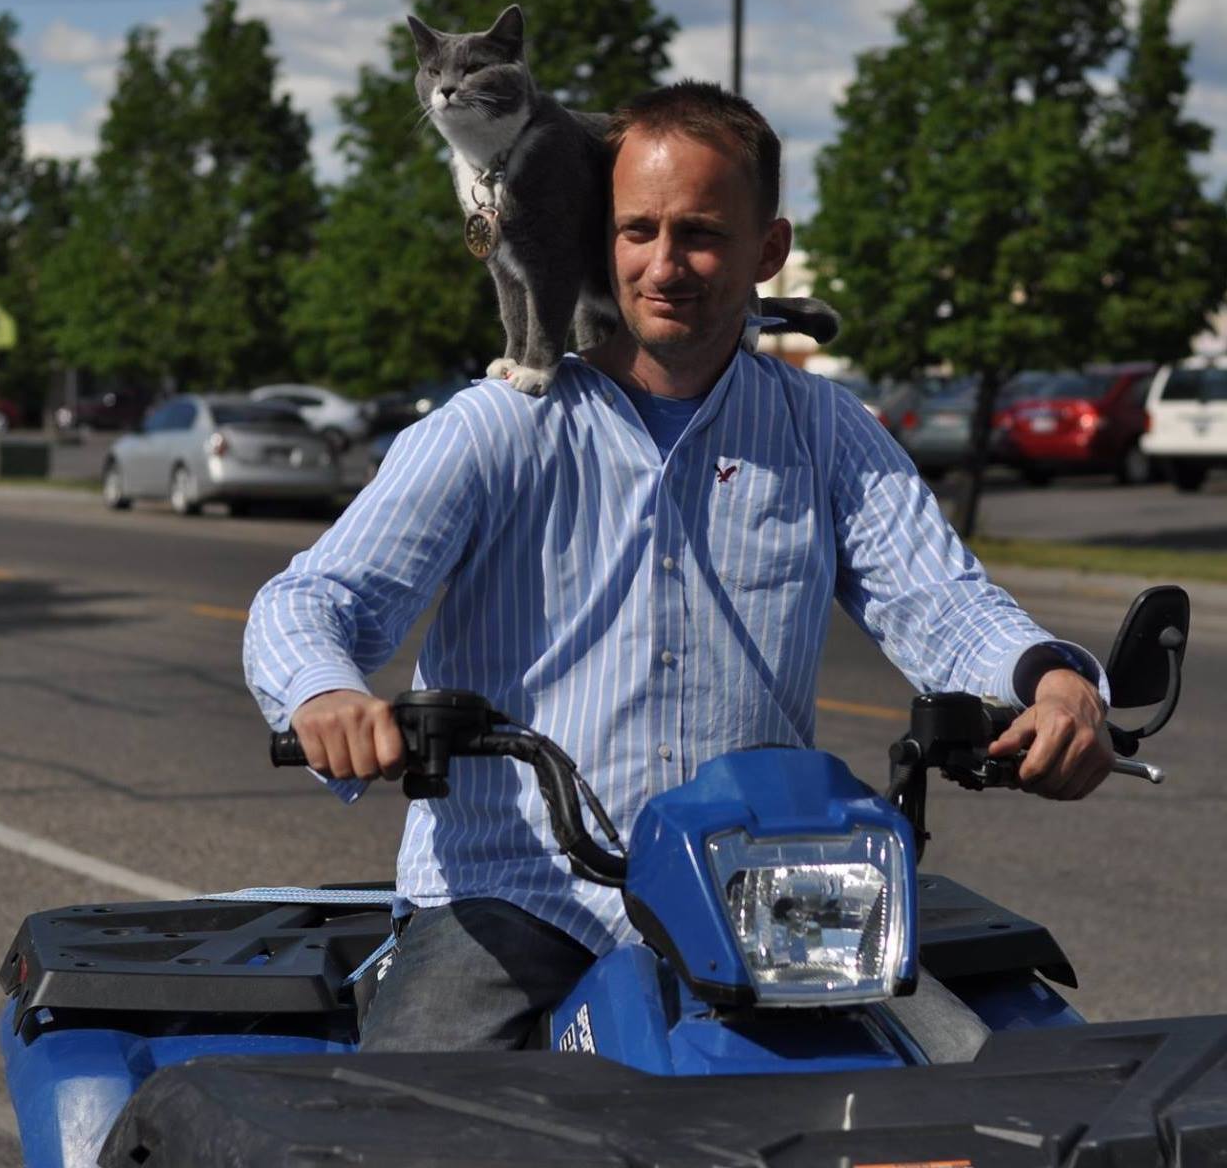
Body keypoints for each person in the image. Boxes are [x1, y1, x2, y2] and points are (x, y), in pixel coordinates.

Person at [245, 80, 1112, 1055]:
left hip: (763, 894)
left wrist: (1052, 680)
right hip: (522, 895)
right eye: (637, 230)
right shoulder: (499, 426)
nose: (664, 265)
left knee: (977, 1086)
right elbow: (314, 598)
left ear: (767, 251)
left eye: (699, 233)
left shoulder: (823, 428)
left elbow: (940, 600)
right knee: (405, 1113)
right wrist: (324, 694)